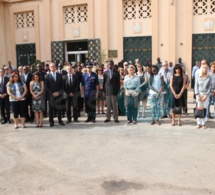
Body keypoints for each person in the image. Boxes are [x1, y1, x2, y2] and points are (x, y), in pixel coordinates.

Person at [195, 60, 211, 129]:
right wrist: (197, 95)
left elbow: (209, 87)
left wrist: (206, 95)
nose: (205, 69)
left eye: (206, 68)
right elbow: (196, 86)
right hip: (199, 93)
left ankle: (203, 123)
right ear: (202, 69)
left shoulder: (209, 77)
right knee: (199, 107)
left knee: (205, 108)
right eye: (203, 68)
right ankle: (198, 123)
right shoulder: (198, 76)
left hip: (205, 95)